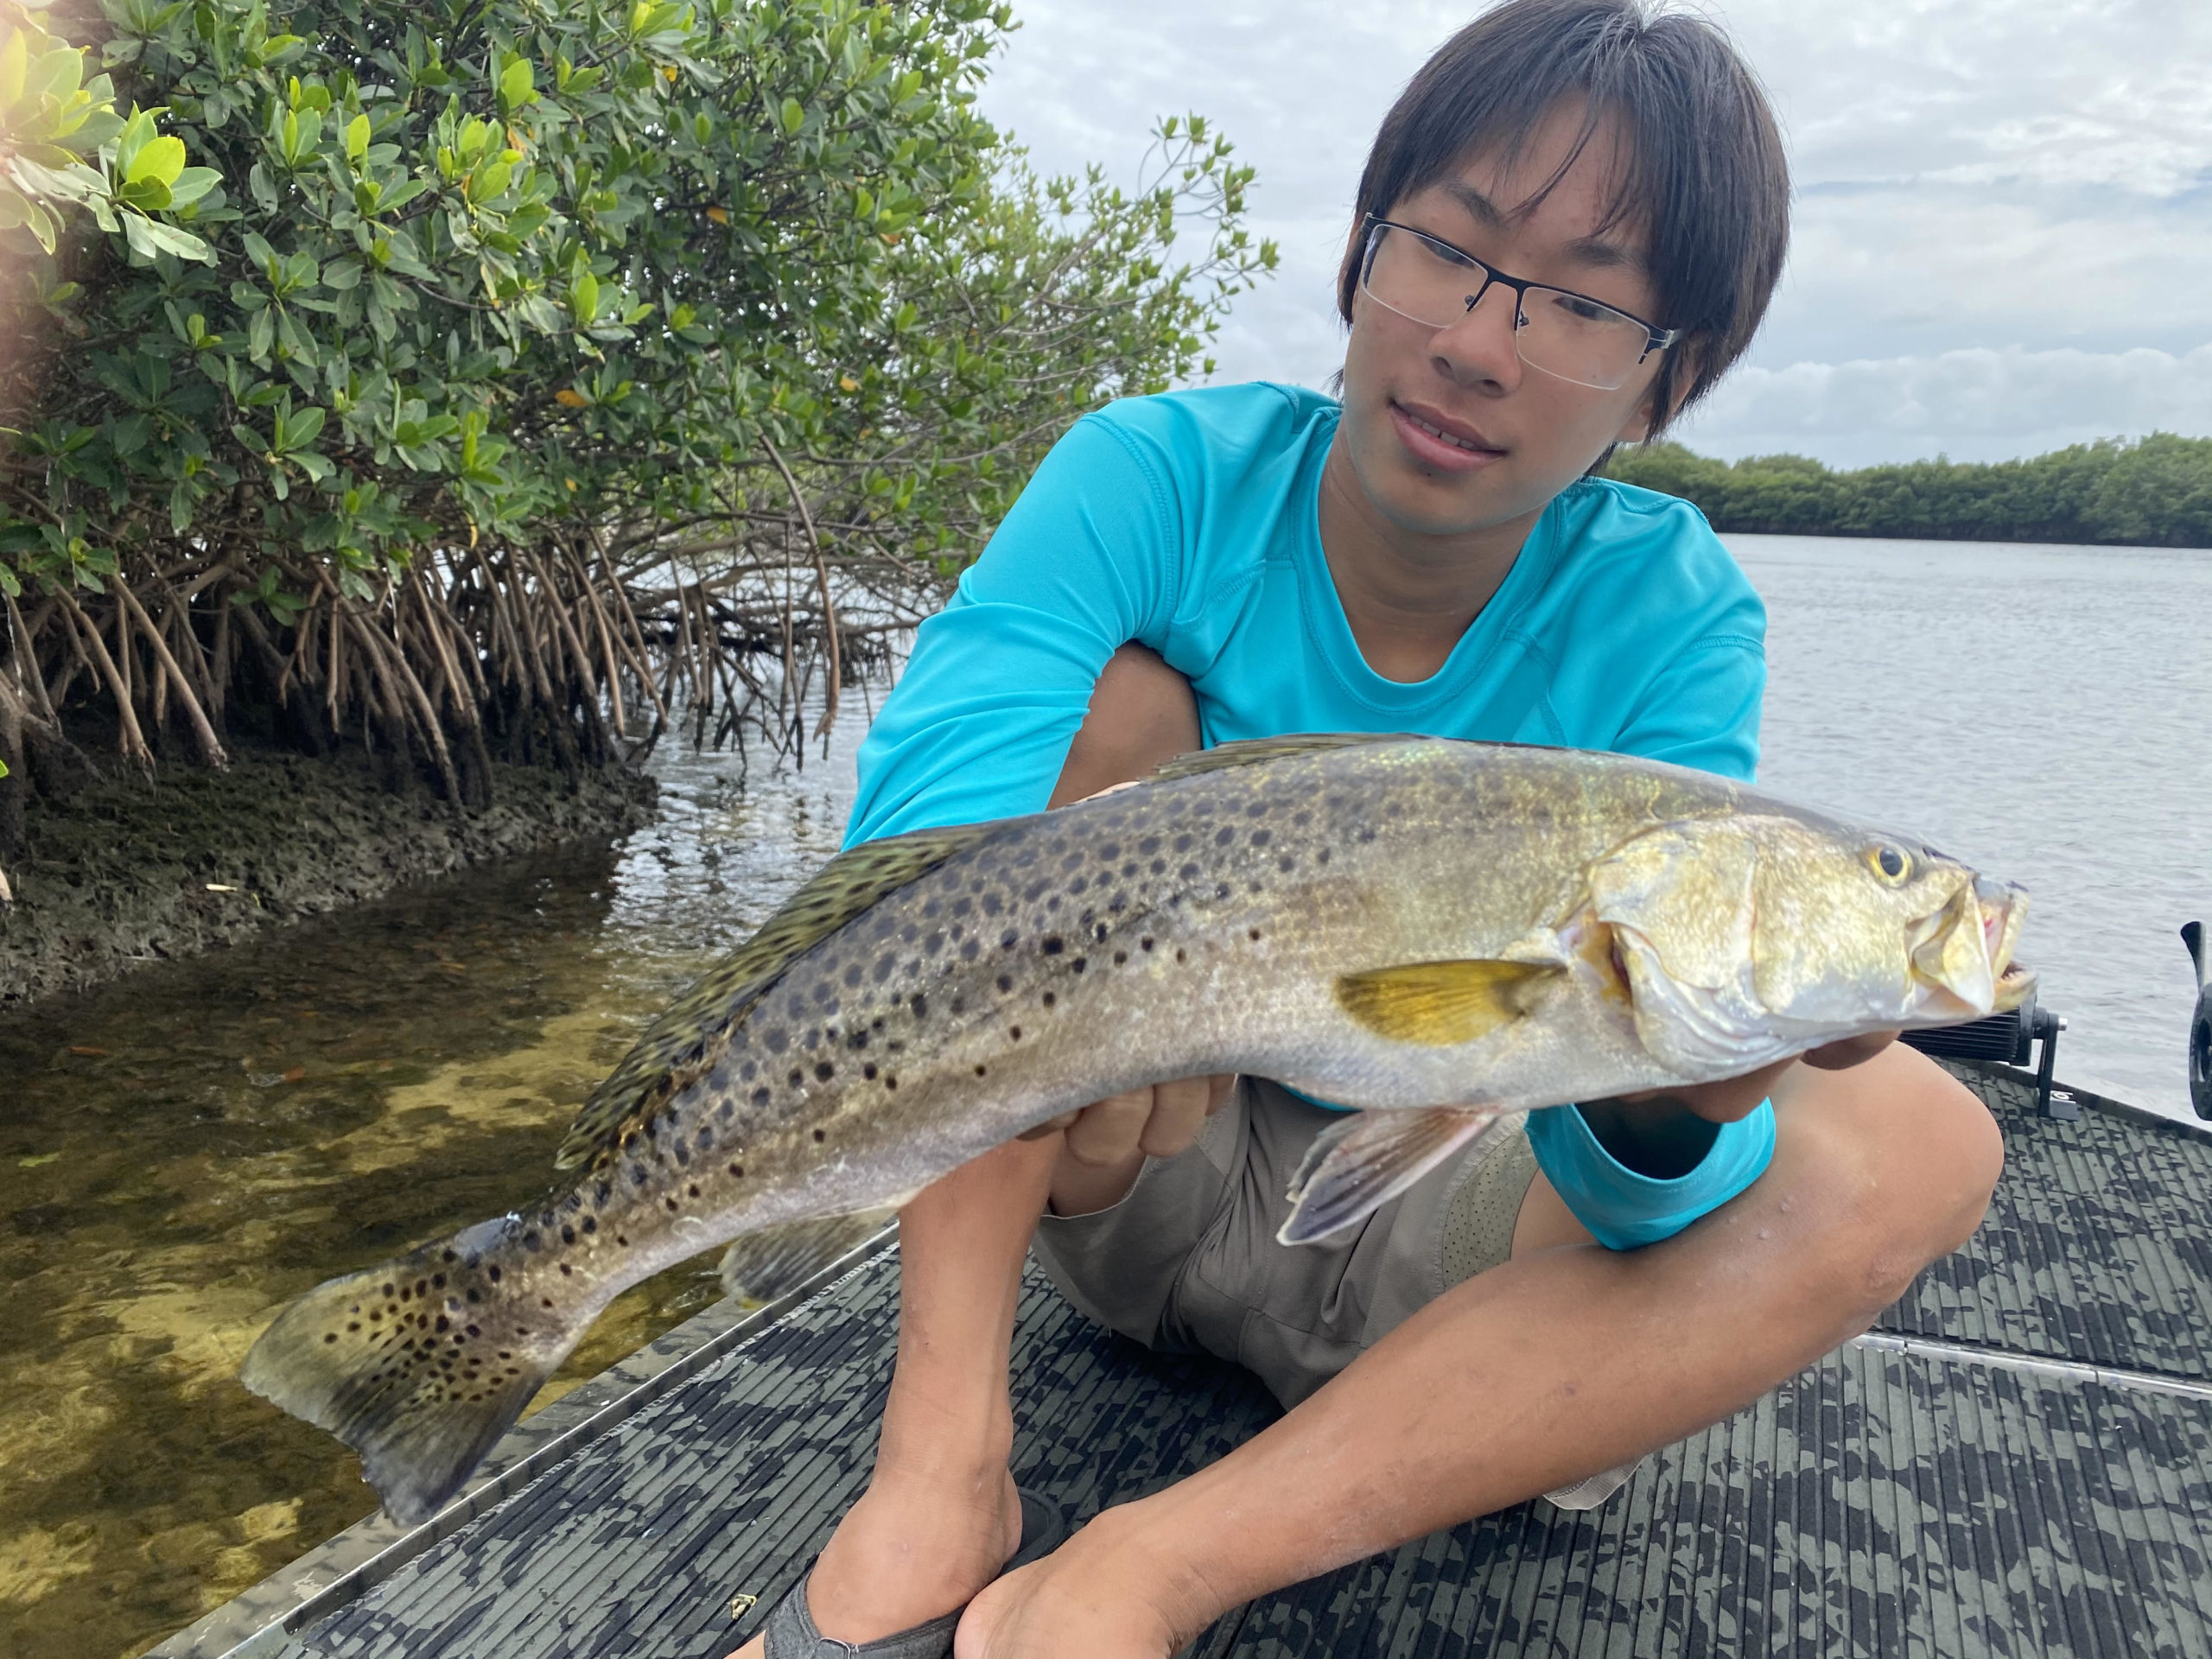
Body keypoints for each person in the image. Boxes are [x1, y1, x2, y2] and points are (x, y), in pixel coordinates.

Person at [728, 3, 2004, 1654]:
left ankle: (1151, 1570)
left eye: (1582, 304)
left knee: (1923, 1143)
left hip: (1453, 1287)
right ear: (1356, 258)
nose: (1479, 343)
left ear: (1664, 376)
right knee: (1114, 722)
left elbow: (1627, 1216)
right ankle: (941, 1468)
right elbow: (899, 883)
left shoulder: (1675, 612)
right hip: (1137, 1180)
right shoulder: (1150, 476)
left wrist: (1683, 1100)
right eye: (1449, 251)